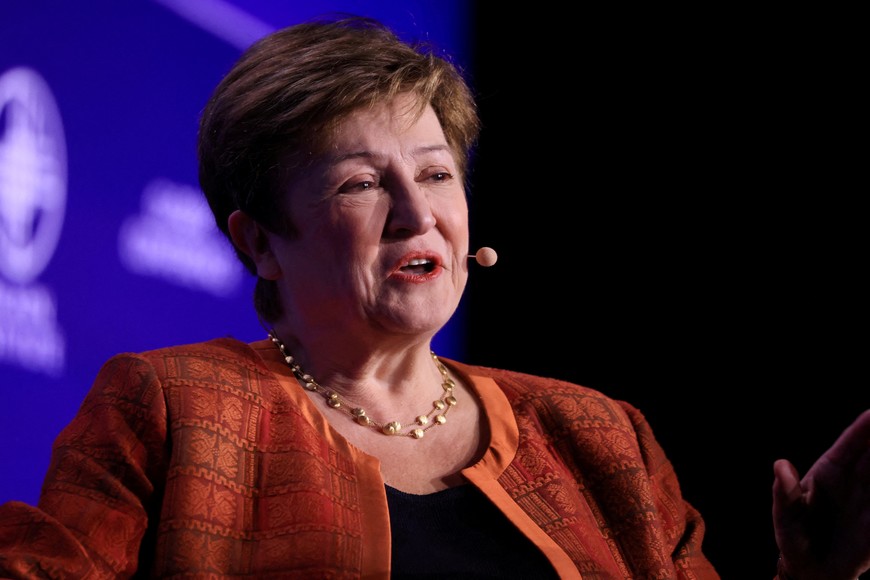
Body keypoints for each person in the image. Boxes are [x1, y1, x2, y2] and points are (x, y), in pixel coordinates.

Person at [0, 14, 867, 580]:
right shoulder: (172, 409)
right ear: (258, 240)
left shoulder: (601, 438)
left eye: (436, 174)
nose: (418, 215)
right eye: (360, 184)